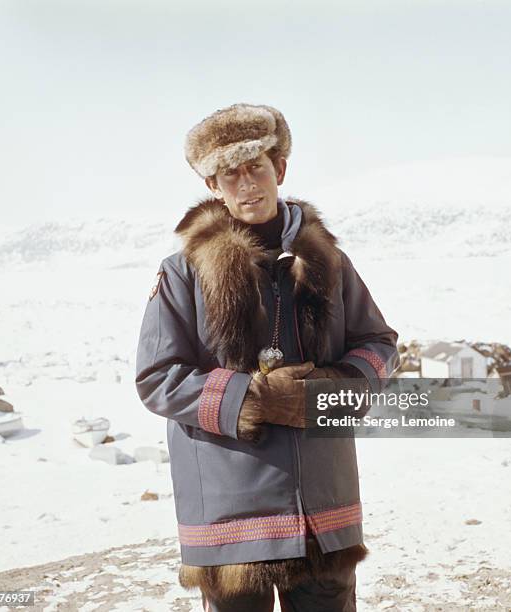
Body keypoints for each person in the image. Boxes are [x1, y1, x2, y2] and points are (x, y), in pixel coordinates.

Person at [135, 103, 399, 611]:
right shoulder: (181, 273)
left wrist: (327, 391)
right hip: (230, 517)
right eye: (229, 174)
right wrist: (252, 400)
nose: (246, 184)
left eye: (256, 167)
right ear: (213, 185)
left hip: (324, 510)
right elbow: (157, 377)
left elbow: (379, 345)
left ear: (279, 169)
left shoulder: (330, 262)